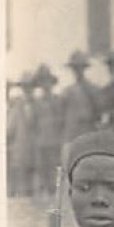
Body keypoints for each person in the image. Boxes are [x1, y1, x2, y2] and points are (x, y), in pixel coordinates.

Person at [60, 51, 103, 154]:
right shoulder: (67, 92)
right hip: (72, 133)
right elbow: (62, 114)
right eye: (75, 68)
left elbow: (99, 112)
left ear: (84, 69)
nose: (77, 71)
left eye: (80, 68)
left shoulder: (93, 89)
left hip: (87, 131)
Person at [34, 65, 64, 195]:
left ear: (51, 83)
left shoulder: (57, 100)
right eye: (42, 82)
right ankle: (44, 198)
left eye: (47, 81)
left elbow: (62, 121)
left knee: (55, 171)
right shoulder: (37, 102)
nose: (45, 85)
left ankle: (55, 196)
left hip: (54, 141)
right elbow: (34, 123)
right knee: (42, 172)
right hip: (41, 142)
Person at [7, 73, 38, 196]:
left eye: (30, 86)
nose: (27, 89)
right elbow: (11, 126)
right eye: (25, 87)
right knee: (20, 172)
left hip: (35, 144)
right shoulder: (17, 104)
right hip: (20, 144)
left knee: (34, 174)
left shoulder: (38, 103)